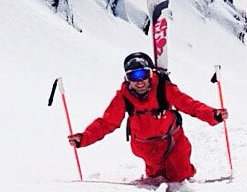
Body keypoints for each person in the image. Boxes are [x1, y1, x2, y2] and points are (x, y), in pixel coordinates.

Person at [68, 52, 227, 183]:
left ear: (150, 74)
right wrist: (83, 138)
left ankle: (182, 175)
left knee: (180, 176)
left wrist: (213, 115)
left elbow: (190, 105)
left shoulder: (164, 89)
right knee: (155, 180)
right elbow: (106, 123)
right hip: (146, 149)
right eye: (133, 76)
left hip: (173, 141)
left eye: (143, 74)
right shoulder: (123, 97)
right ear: (127, 79)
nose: (139, 81)